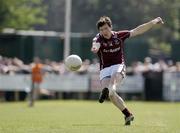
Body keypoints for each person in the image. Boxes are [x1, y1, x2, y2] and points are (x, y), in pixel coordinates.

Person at [91, 16, 164, 125]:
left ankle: (109, 89)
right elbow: (95, 44)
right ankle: (128, 114)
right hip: (105, 69)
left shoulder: (119, 36)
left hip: (118, 65)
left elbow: (137, 30)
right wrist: (95, 48)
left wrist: (153, 22)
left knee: (111, 88)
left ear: (111, 27)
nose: (104, 32)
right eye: (101, 30)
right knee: (111, 95)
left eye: (106, 28)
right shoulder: (98, 38)